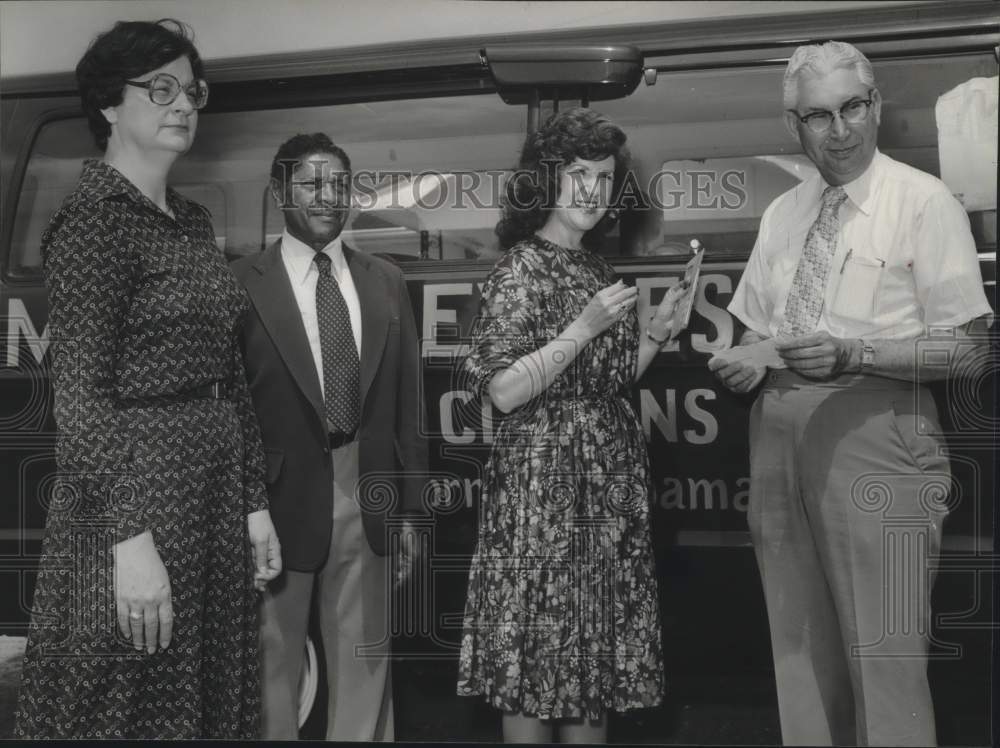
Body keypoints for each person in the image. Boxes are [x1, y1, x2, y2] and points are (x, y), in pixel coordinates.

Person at [709, 41, 993, 747]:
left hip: (882, 439)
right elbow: (751, 327)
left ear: (876, 107)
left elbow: (969, 347)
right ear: (793, 126)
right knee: (798, 655)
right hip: (778, 441)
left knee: (887, 663)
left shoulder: (923, 202)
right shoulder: (783, 213)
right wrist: (744, 360)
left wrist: (855, 351)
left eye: (852, 108)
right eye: (818, 116)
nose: (839, 130)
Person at [13, 20, 282, 740]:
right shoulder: (94, 223)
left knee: (204, 693)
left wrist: (253, 500)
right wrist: (128, 542)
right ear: (108, 104)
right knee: (123, 699)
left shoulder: (191, 223)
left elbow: (229, 374)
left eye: (191, 89)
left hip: (213, 488)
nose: (183, 104)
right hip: (136, 496)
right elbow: (81, 403)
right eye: (159, 88)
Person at [456, 107, 686, 743]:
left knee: (594, 660)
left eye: (605, 177)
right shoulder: (518, 270)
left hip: (605, 491)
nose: (593, 191)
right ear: (546, 182)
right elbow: (504, 390)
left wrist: (657, 336)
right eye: (578, 174)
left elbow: (603, 385)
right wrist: (581, 328)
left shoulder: (597, 270)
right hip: (541, 494)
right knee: (535, 658)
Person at [231, 132, 427, 741]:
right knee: (272, 670)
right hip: (274, 503)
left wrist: (412, 510)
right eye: (313, 184)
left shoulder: (386, 280)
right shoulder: (238, 283)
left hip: (366, 496)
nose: (328, 197)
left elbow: (407, 403)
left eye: (340, 185)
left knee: (365, 664)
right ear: (279, 192)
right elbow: (228, 411)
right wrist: (243, 505)